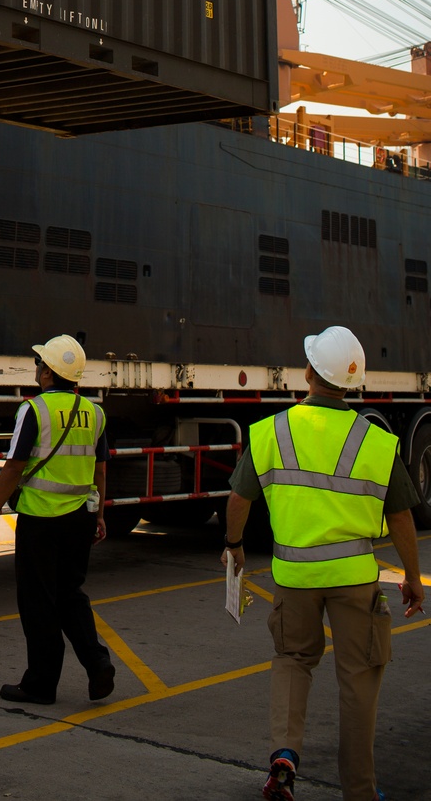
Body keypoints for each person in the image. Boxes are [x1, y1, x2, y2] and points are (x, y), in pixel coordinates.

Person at [222, 326, 424, 801]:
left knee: (293, 660)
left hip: (293, 578)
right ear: (351, 384)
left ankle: (285, 754)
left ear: (309, 373)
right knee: (359, 678)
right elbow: (400, 517)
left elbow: (238, 497)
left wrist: (234, 545)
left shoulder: (272, 431)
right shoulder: (375, 441)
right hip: (354, 580)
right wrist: (413, 578)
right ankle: (359, 789)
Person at [0, 333, 115, 704]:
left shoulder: (34, 409)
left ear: (47, 373)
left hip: (41, 518)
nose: (37, 369)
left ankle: (41, 683)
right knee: (71, 593)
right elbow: (100, 471)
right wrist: (100, 514)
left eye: (40, 364)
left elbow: (15, 465)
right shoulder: (95, 412)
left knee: (38, 600)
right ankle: (98, 662)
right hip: (80, 518)